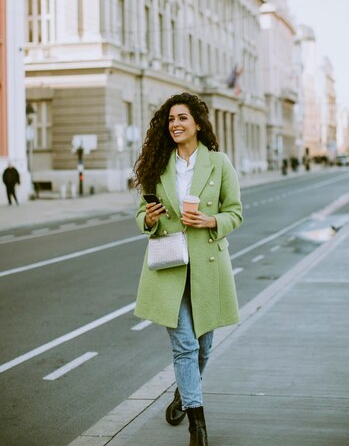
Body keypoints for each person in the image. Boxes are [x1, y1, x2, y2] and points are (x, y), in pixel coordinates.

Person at [132, 93, 243, 446]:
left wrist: (211, 219)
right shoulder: (156, 165)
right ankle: (198, 427)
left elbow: (236, 213)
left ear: (197, 123)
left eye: (182, 118)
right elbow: (140, 214)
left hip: (207, 266)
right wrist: (147, 219)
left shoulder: (219, 163)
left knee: (204, 348)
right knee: (184, 347)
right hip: (169, 266)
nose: (175, 125)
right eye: (170, 120)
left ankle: (184, 392)